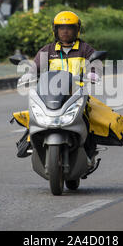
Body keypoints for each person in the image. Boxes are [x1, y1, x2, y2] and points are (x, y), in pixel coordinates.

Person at [15, 11, 102, 157]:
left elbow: (96, 63)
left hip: (77, 94)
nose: (65, 31)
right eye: (61, 28)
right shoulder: (48, 50)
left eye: (69, 28)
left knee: (88, 118)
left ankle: (89, 150)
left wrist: (93, 73)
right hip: (51, 94)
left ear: (77, 30)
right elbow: (35, 67)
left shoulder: (85, 49)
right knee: (35, 116)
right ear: (55, 30)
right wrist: (28, 75)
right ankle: (30, 142)